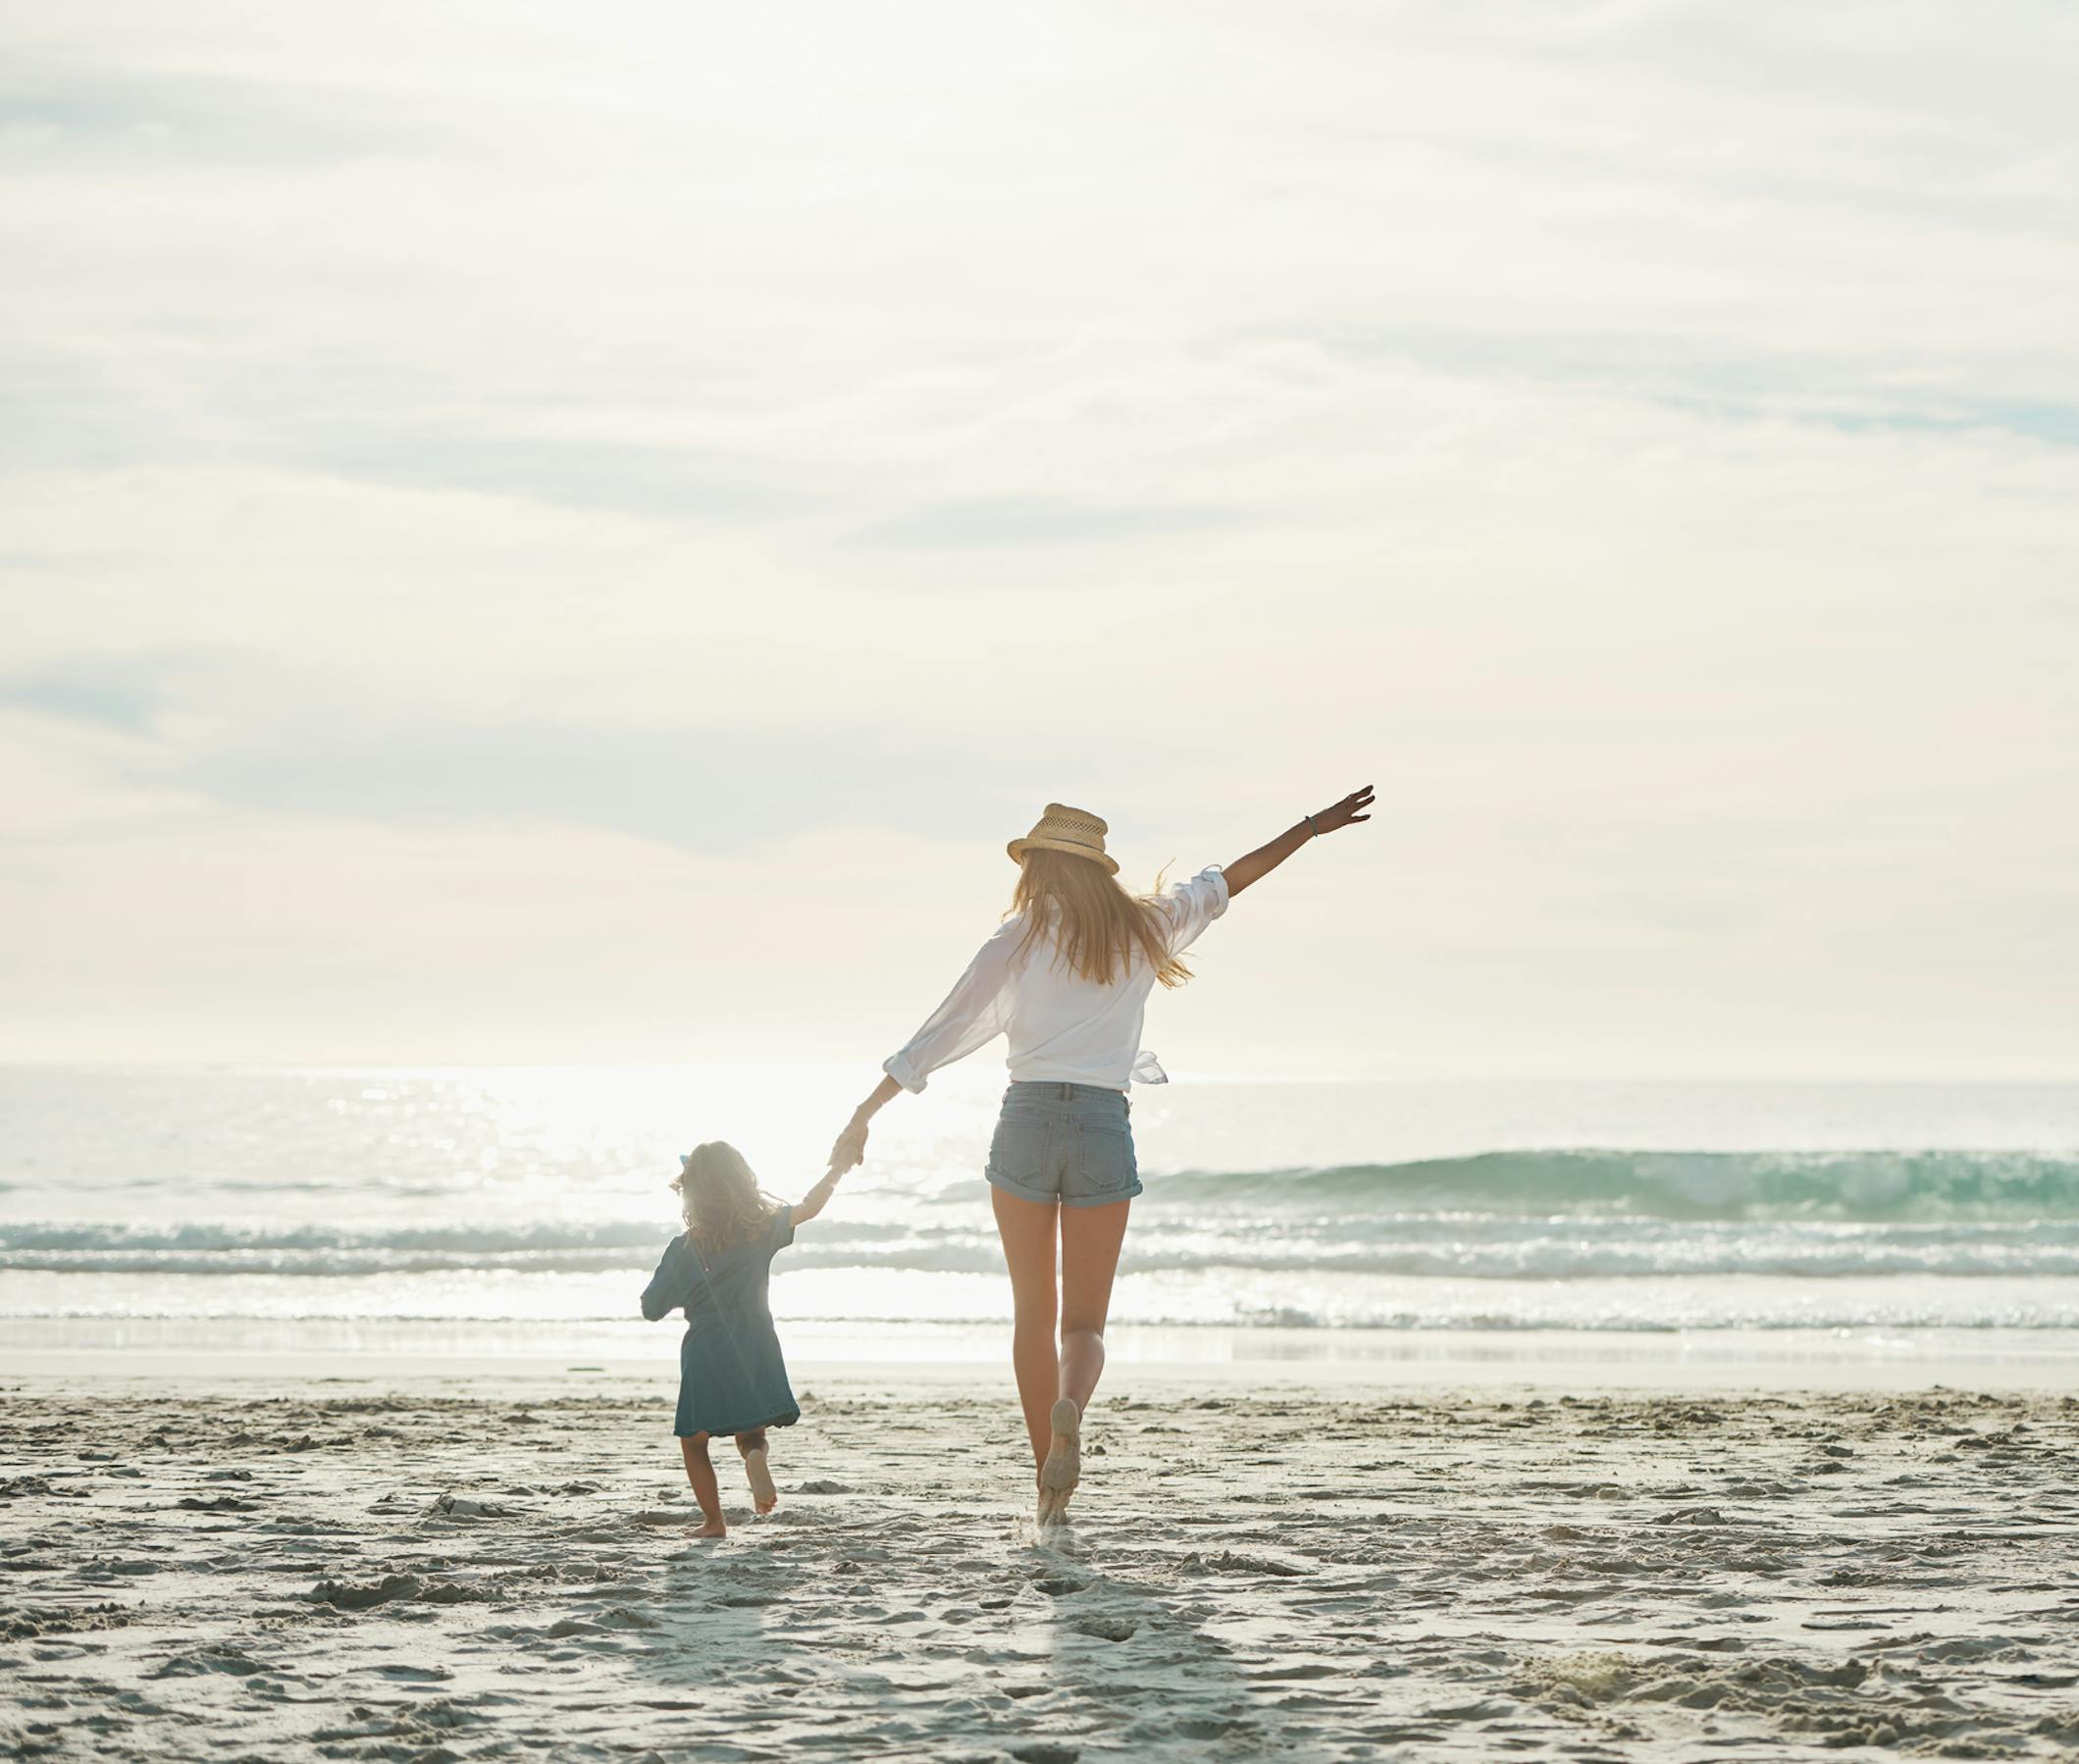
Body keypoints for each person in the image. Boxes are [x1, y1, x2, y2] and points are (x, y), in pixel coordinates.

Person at [828, 789, 1374, 1524]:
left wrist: (864, 1114)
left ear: (1039, 867)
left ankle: (1044, 1488)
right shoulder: (1145, 926)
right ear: (1096, 868)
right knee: (1082, 1326)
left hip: (1024, 1120)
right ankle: (1069, 1411)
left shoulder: (1014, 939)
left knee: (1032, 1315)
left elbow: (942, 1030)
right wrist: (1310, 828)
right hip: (1100, 1125)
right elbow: (1232, 878)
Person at [640, 1141, 842, 1539]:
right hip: (756, 1339)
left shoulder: (685, 1247)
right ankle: (754, 1458)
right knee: (751, 1431)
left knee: (694, 1441)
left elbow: (652, 1307)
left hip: (706, 1347)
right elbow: (810, 1206)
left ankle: (714, 1523)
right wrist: (837, 1170)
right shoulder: (761, 1229)